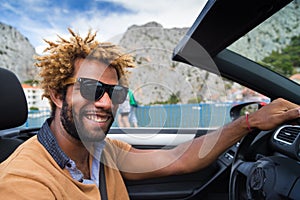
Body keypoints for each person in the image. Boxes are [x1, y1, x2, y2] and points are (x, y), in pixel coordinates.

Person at [0, 29, 299, 199]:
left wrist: (249, 122)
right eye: (92, 89)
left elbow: (177, 159)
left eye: (114, 93)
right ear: (57, 94)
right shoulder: (23, 182)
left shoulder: (103, 152)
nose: (105, 103)